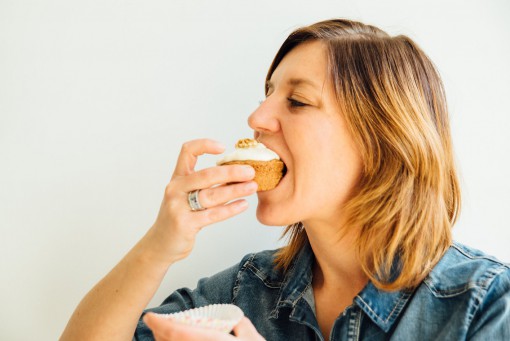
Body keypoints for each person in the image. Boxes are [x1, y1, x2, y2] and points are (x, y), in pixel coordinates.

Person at [60, 19, 510, 341]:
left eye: (296, 101)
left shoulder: (485, 304)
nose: (257, 118)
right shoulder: (246, 290)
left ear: (381, 141)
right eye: (267, 95)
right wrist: (160, 244)